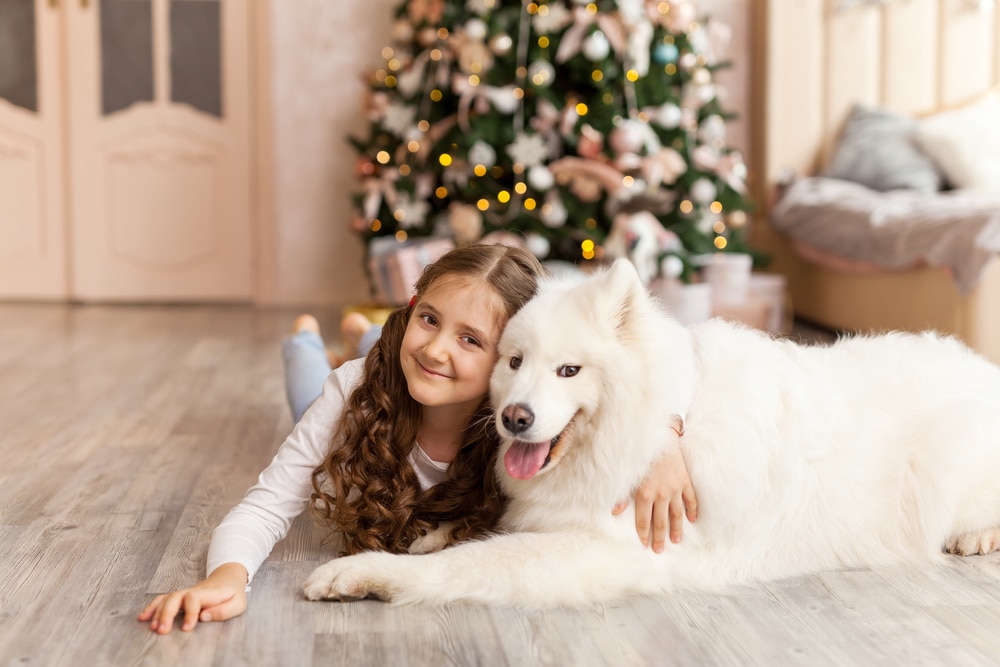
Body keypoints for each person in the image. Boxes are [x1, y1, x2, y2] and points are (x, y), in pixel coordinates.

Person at [138, 243, 696, 634]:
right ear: (412, 308)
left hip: (411, 371)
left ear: (510, 355)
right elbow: (265, 507)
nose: (437, 347)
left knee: (416, 360)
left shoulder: (520, 413)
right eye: (427, 318)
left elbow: (671, 353)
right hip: (370, 384)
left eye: (472, 339)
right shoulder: (351, 395)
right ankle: (309, 339)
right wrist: (226, 579)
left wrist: (667, 436)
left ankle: (364, 332)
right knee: (313, 387)